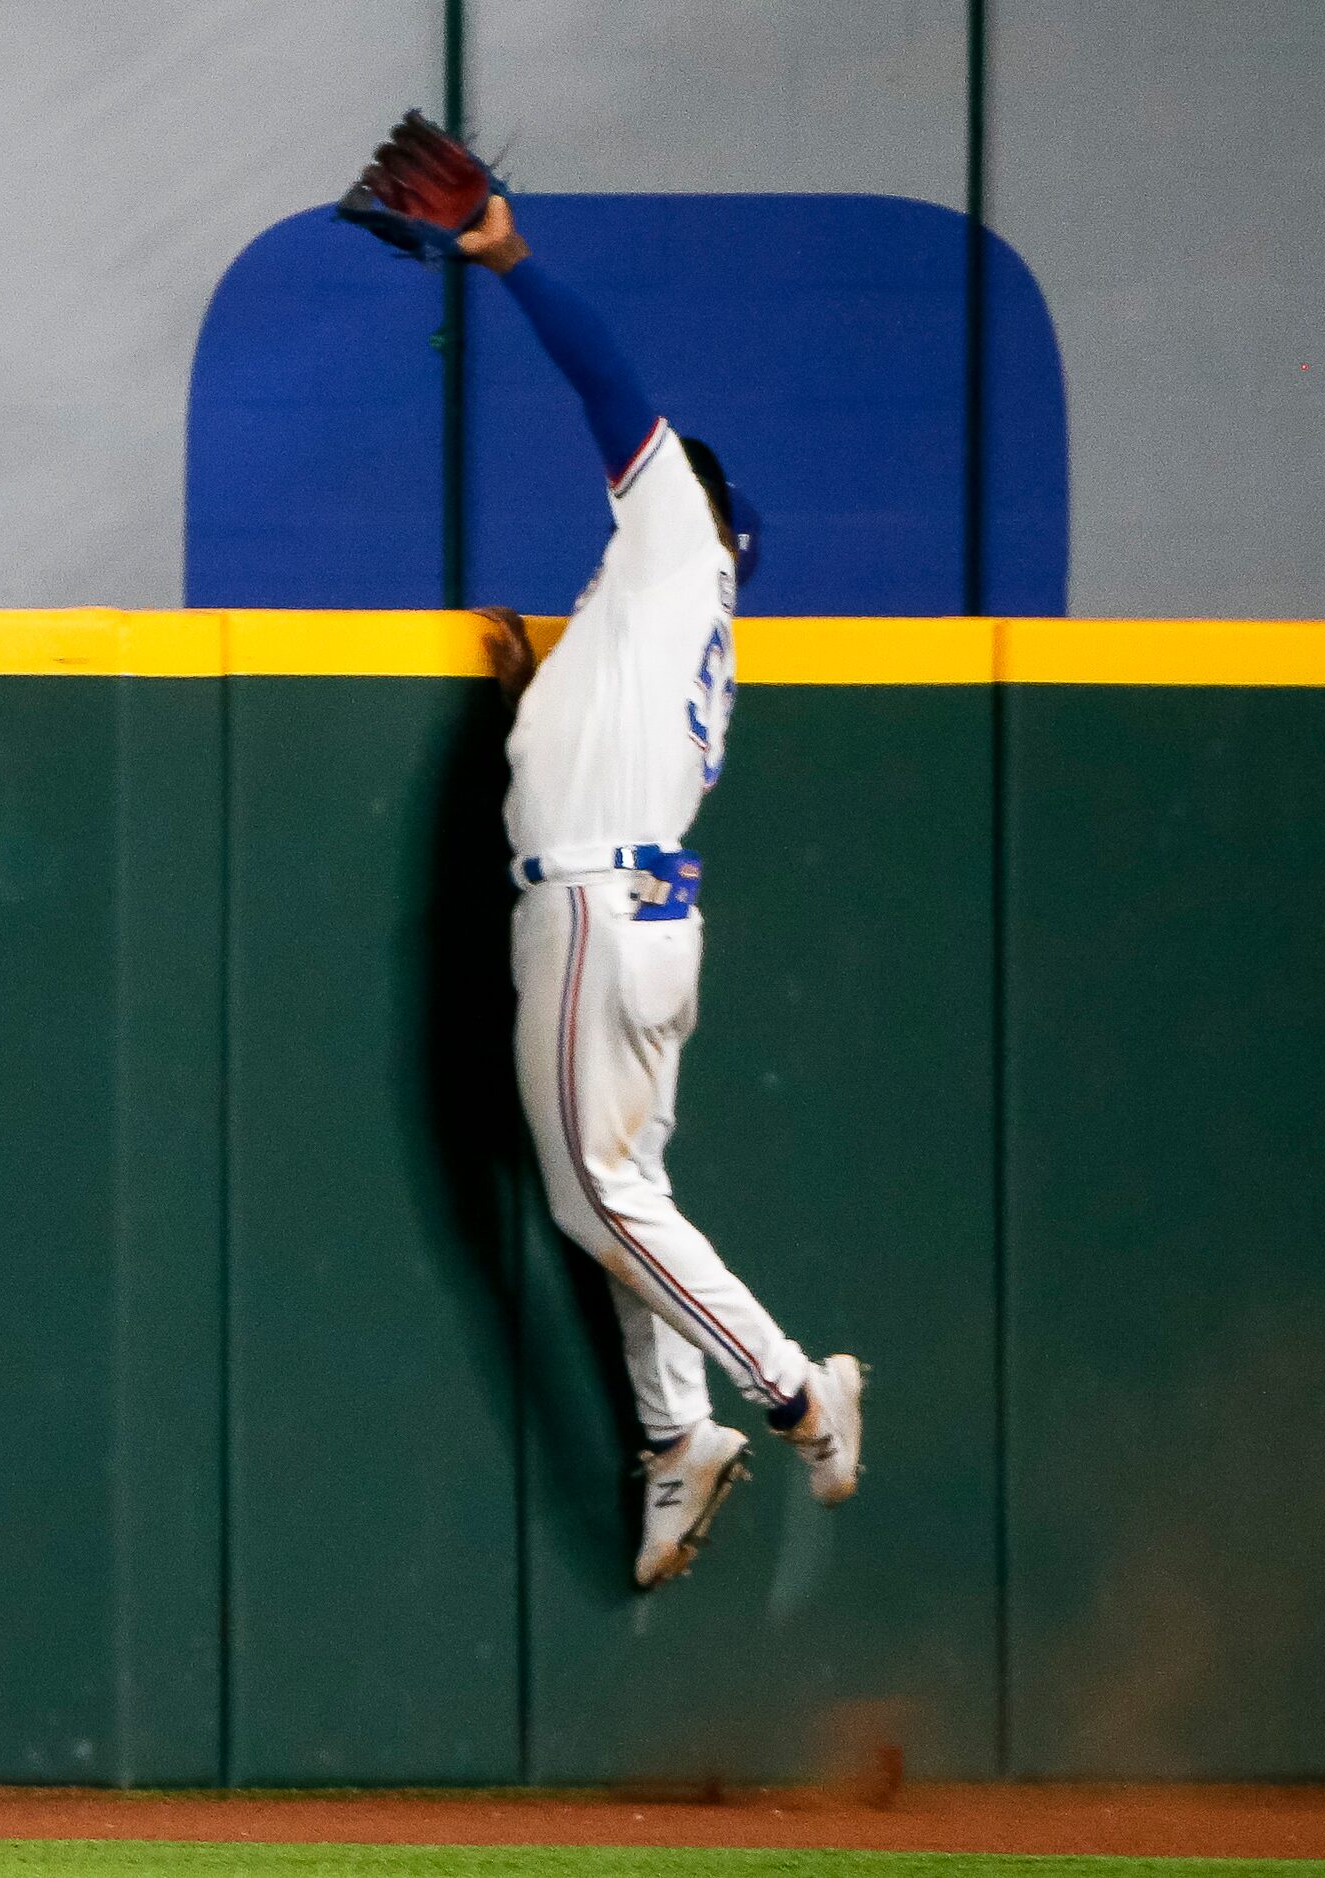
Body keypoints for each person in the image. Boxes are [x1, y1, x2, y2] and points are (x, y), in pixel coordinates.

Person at [457, 195, 864, 1590]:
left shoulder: (675, 531)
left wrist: (510, 257)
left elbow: (609, 383)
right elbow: (593, 721)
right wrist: (536, 695)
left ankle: (793, 1386)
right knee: (634, 1187)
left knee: (595, 1206)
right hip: (640, 915)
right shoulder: (669, 623)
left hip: (594, 911)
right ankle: (677, 1431)